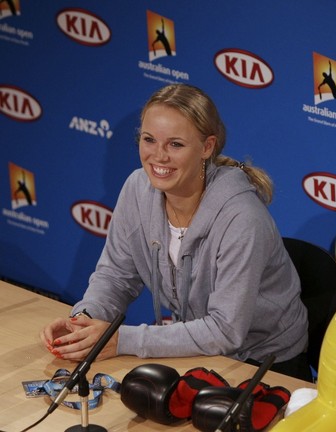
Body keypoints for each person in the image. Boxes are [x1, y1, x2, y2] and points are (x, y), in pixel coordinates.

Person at [40, 84, 311, 381]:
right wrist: (85, 323)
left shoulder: (242, 217)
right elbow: (116, 277)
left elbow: (225, 330)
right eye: (149, 140)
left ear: (207, 147)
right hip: (201, 352)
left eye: (175, 145)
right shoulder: (136, 188)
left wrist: (122, 340)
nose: (158, 157)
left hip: (266, 364)